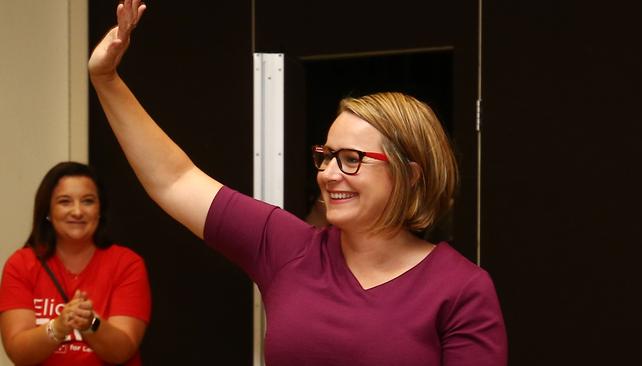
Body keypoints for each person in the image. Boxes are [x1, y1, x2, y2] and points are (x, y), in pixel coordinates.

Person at [88, 1, 507, 365]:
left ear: (410, 174)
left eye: (351, 160)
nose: (327, 174)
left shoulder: (461, 290)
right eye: (325, 157)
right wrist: (107, 80)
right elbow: (174, 179)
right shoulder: (288, 248)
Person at [0, 162, 151, 365]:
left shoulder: (127, 264)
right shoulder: (21, 264)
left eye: (88, 201)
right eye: (65, 202)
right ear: (48, 211)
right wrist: (58, 327)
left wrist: (90, 323)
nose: (78, 212)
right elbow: (19, 353)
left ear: (100, 210)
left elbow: (122, 352)